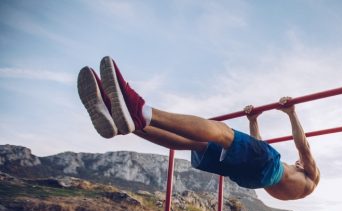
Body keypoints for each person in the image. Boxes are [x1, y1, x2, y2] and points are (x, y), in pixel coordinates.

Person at [77, 56, 320, 200]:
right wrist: (253, 121)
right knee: (199, 143)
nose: (299, 161)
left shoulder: (311, 176)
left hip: (267, 170)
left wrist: (291, 113)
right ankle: (129, 125)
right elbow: (256, 150)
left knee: (224, 132)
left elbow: (304, 146)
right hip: (250, 178)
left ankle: (141, 110)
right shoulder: (295, 184)